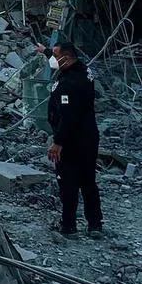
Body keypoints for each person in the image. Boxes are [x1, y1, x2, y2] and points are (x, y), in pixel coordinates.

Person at [44, 41, 102, 236]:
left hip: (71, 140)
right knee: (88, 181)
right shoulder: (84, 70)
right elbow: (61, 60)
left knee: (68, 183)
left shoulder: (68, 84)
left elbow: (68, 116)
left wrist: (58, 142)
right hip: (89, 136)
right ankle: (95, 224)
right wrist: (44, 51)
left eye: (55, 56)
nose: (53, 59)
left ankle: (68, 225)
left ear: (66, 58)